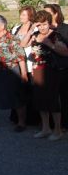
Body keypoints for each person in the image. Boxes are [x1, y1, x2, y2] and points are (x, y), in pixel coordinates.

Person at [21, 10, 68, 140]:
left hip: (51, 72)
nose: (42, 27)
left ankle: (58, 131)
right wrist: (31, 30)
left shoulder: (55, 36)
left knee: (53, 101)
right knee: (40, 100)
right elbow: (23, 44)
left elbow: (65, 52)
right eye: (39, 24)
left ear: (49, 23)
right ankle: (46, 129)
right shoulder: (35, 35)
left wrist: (50, 44)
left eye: (44, 24)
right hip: (38, 71)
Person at [43, 4, 68, 129]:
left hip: (64, 67)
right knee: (51, 97)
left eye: (48, 13)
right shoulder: (43, 29)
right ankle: (53, 125)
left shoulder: (65, 29)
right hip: (48, 68)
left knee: (64, 96)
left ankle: (64, 124)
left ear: (56, 13)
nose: (45, 15)